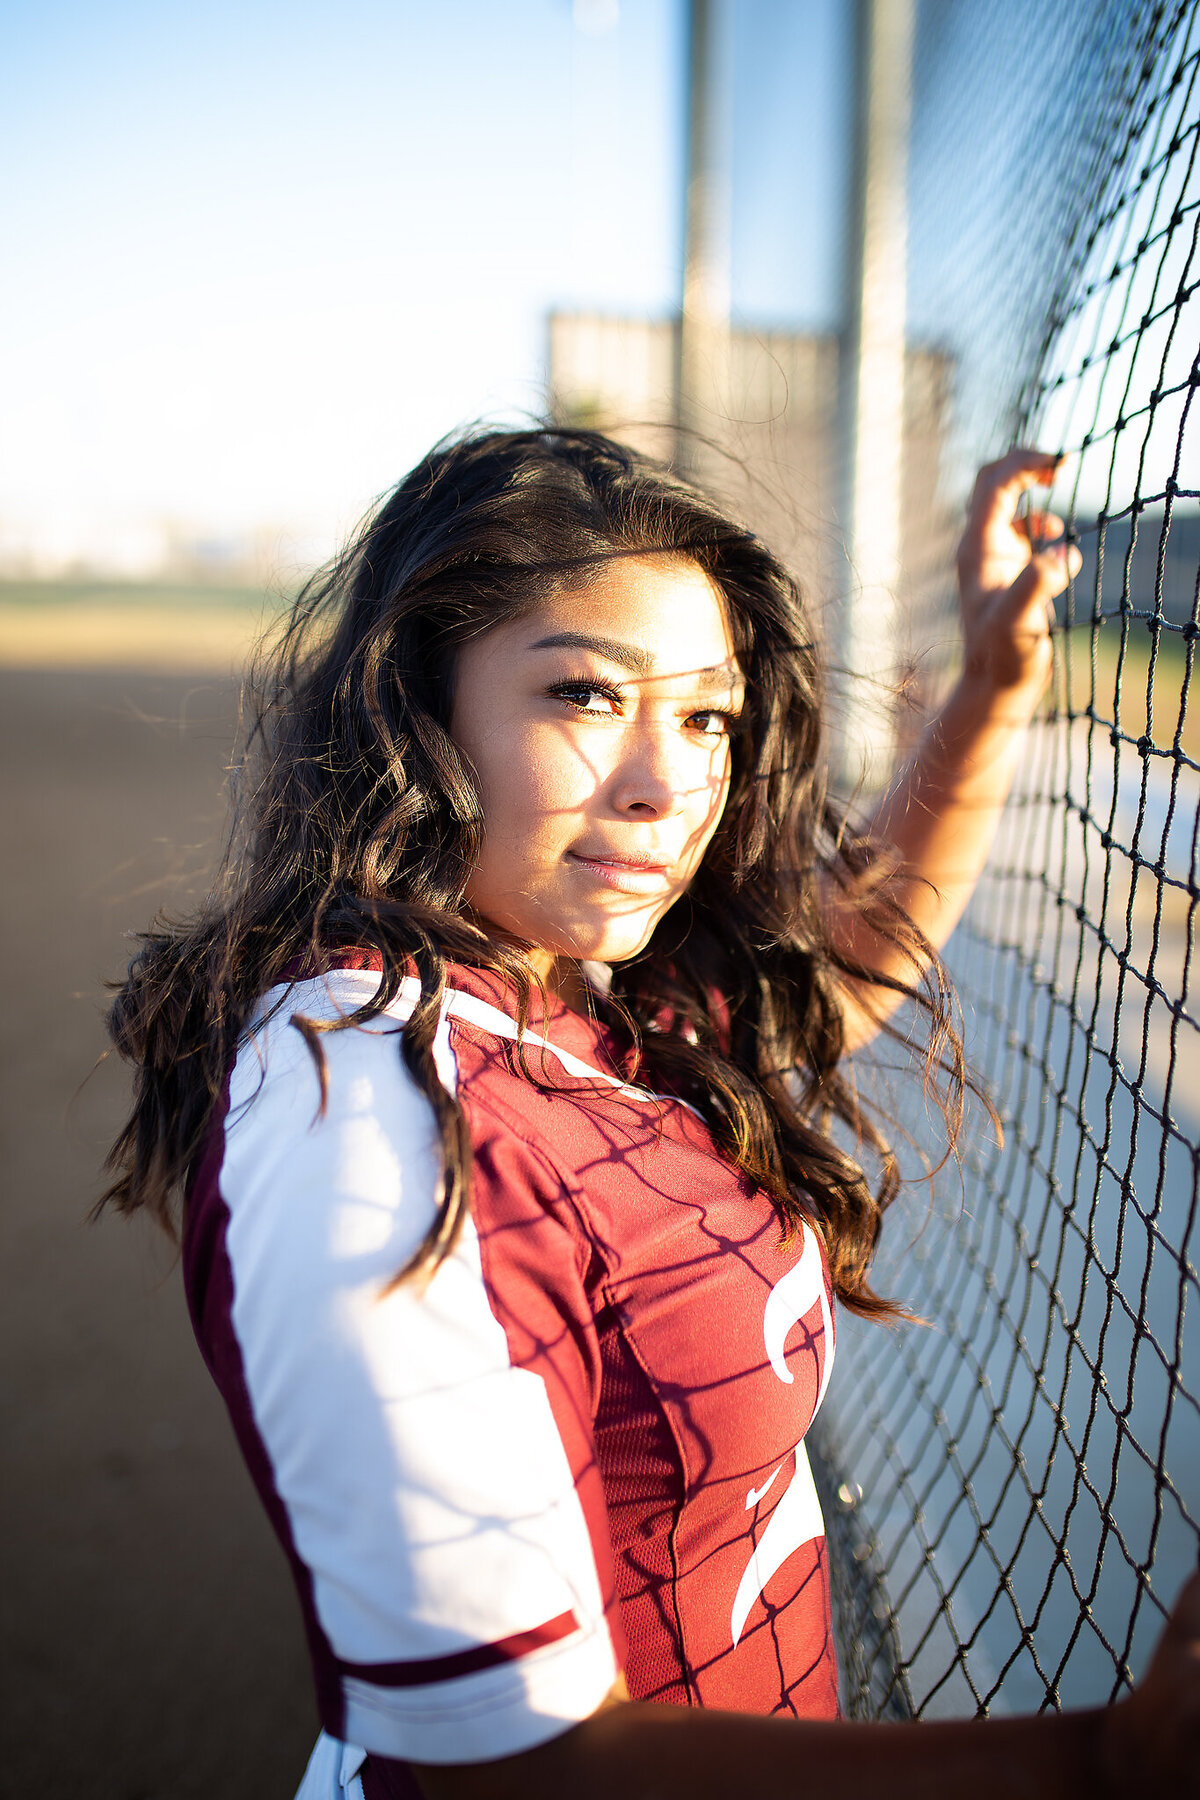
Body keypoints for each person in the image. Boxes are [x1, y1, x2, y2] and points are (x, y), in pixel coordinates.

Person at [102, 428, 1200, 1799]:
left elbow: (837, 966)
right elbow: (518, 1770)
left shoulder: (571, 973)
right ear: (417, 709)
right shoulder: (367, 1112)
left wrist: (986, 691)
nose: (667, 786)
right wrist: (1110, 1764)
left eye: (706, 717)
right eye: (582, 694)